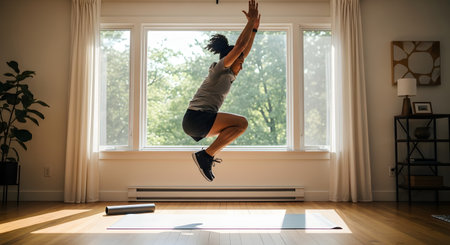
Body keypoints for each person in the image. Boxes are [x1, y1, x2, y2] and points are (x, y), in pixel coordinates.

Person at [182, 0, 261, 181]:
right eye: (240, 63)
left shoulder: (230, 75)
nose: (242, 67)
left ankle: (206, 156)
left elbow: (244, 51)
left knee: (237, 126)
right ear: (231, 59)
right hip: (196, 118)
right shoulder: (220, 68)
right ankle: (206, 156)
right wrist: (250, 22)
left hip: (198, 122)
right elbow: (240, 47)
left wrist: (255, 30)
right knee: (242, 123)